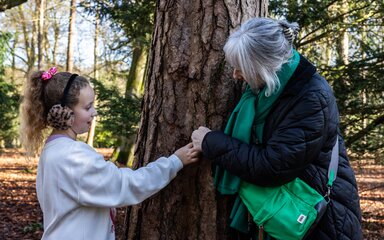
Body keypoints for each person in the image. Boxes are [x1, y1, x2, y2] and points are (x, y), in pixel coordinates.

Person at [191, 18, 362, 239]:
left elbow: (273, 167)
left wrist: (210, 142)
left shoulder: (311, 97)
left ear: (264, 65)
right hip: (282, 211)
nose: (235, 75)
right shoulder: (269, 92)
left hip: (317, 220)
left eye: (242, 68)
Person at [19, 67, 200, 240]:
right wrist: (175, 162)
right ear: (63, 112)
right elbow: (127, 185)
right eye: (88, 107)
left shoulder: (53, 150)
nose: (94, 112)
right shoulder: (72, 156)